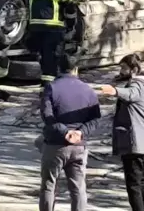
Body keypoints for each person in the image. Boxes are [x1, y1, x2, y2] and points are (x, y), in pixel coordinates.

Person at [39, 53, 101, 211]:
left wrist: (65, 132)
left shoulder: (51, 87)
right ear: (76, 69)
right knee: (78, 188)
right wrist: (80, 133)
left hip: (55, 145)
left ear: (59, 68)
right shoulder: (88, 90)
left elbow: (47, 116)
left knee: (49, 186)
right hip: (79, 147)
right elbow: (95, 119)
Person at [10, 0, 78, 85]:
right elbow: (70, 6)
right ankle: (49, 89)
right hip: (53, 29)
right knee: (51, 61)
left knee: (41, 56)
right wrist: (71, 24)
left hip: (35, 29)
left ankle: (47, 84)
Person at [101, 54, 144, 211]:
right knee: (141, 184)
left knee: (134, 185)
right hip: (140, 145)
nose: (121, 71)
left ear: (134, 69)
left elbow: (131, 94)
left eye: (124, 68)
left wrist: (114, 91)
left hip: (135, 145)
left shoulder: (137, 85)